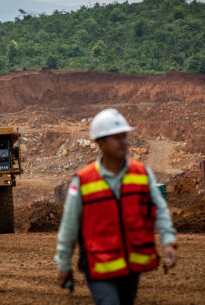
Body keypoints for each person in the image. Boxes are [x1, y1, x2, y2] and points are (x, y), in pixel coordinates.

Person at [55, 108, 177, 305]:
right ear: (100, 143)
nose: (123, 142)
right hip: (99, 267)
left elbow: (160, 210)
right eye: (116, 138)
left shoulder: (141, 174)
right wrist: (63, 262)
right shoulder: (83, 181)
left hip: (131, 267)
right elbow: (69, 226)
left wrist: (169, 241)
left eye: (124, 136)